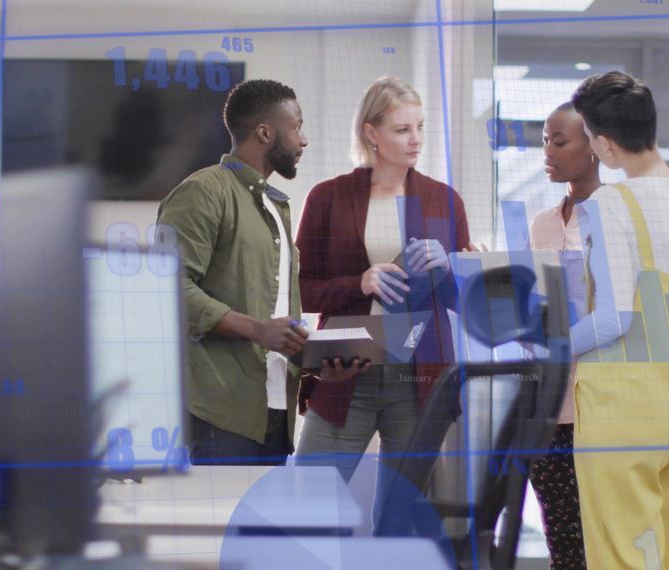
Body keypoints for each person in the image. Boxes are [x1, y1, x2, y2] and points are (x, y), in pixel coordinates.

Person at [568, 71, 669, 569]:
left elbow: (614, 317)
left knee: (621, 557)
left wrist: (551, 343)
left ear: (605, 144)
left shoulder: (609, 203)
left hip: (621, 412)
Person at [293, 76, 470, 522]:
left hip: (420, 378)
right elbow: (302, 288)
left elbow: (461, 303)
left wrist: (455, 268)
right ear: (371, 133)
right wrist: (361, 282)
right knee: (310, 503)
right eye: (402, 129)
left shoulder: (443, 201)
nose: (416, 141)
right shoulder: (328, 198)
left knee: (403, 519)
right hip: (345, 372)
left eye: (420, 127)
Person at [156, 79, 313, 466]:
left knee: (263, 529)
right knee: (220, 528)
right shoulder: (204, 192)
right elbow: (166, 289)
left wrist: (317, 362)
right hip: (219, 415)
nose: (303, 139)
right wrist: (256, 329)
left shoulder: (275, 208)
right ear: (265, 132)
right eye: (296, 126)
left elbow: (275, 316)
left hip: (276, 414)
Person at [526, 101, 601, 570]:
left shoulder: (618, 221)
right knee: (564, 548)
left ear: (594, 147)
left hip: (602, 408)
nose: (548, 153)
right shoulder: (541, 224)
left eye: (559, 142)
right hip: (548, 407)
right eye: (544, 143)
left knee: (604, 543)